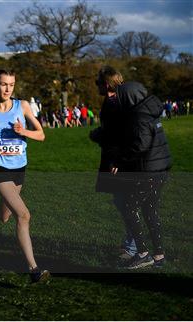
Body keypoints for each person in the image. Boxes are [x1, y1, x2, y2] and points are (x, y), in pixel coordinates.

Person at [0, 69, 48, 283]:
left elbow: (41, 134)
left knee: (4, 216)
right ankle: (34, 269)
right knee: (23, 215)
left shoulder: (22, 106)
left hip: (19, 170)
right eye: (4, 84)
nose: (8, 89)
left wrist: (25, 132)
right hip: (0, 170)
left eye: (11, 84)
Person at [113, 81, 172, 269]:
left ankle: (143, 253)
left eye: (120, 97)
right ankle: (159, 255)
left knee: (129, 207)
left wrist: (120, 162)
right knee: (150, 211)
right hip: (160, 170)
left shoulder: (139, 116)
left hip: (148, 172)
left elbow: (140, 145)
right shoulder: (149, 112)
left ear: (128, 98)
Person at [89, 66, 137, 260]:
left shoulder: (115, 102)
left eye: (98, 83)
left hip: (119, 160)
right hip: (118, 157)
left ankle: (133, 247)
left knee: (126, 203)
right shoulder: (116, 100)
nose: (96, 86)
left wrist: (118, 159)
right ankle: (131, 244)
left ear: (107, 84)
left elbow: (123, 133)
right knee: (124, 202)